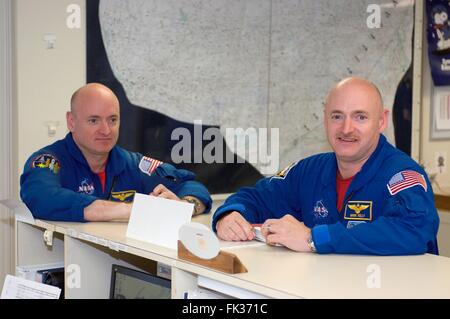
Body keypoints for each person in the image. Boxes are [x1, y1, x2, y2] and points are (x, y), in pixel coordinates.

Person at [212, 77, 439, 255]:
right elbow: (257, 198)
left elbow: (414, 230)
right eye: (337, 116)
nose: (346, 129)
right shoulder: (309, 171)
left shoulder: (402, 175)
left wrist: (314, 238)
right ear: (325, 119)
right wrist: (230, 215)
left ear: (381, 121)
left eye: (360, 117)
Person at [20, 83, 212, 222]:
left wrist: (185, 206)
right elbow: (40, 197)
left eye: (112, 120)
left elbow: (189, 184)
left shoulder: (131, 164)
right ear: (71, 122)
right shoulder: (49, 161)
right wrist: (135, 210)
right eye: (93, 120)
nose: (106, 130)